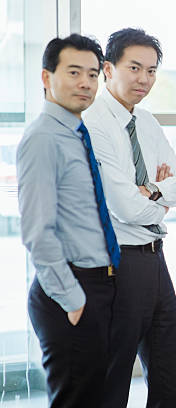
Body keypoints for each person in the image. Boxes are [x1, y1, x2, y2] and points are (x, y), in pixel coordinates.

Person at [83, 28, 176, 407]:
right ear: (108, 69)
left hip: (154, 259)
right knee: (114, 378)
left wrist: (152, 192)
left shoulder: (146, 122)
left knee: (171, 378)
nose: (144, 79)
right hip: (117, 262)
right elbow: (125, 207)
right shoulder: (93, 123)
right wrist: (158, 197)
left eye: (151, 70)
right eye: (135, 67)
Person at [17, 34, 119, 407]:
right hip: (70, 289)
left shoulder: (77, 133)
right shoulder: (43, 138)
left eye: (93, 75)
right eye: (74, 72)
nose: (85, 83)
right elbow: (37, 232)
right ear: (46, 77)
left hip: (95, 284)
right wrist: (74, 300)